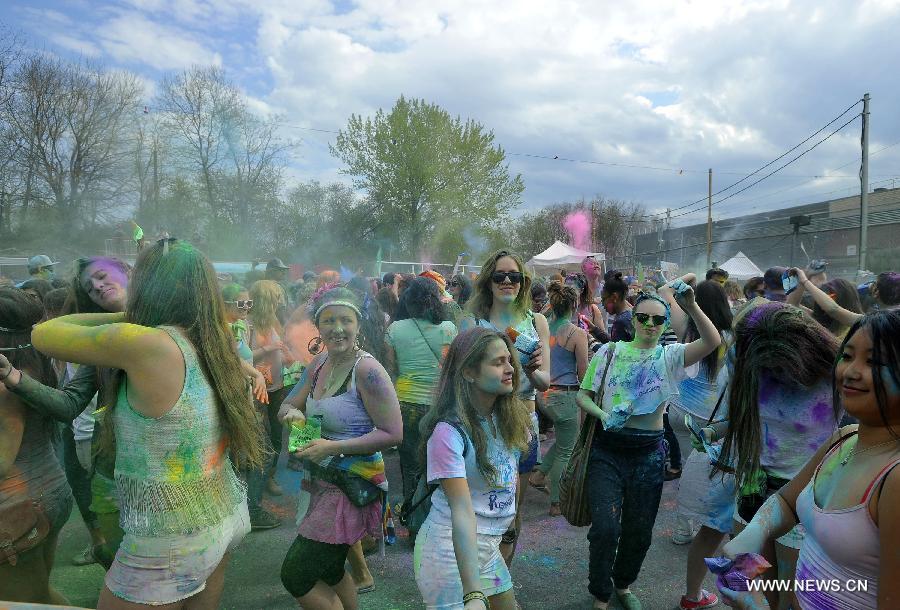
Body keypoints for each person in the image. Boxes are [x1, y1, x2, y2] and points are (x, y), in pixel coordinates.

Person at [29, 240, 265, 608]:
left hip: (168, 539)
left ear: (146, 287)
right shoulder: (211, 339)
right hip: (223, 517)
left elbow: (43, 333)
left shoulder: (146, 343)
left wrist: (133, 315)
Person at [719, 310, 900, 610]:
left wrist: (756, 608)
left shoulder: (894, 478)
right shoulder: (844, 438)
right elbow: (789, 502)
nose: (851, 371)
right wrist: (754, 533)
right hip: (756, 489)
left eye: (874, 362)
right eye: (848, 355)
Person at [575, 284, 721, 610]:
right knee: (605, 528)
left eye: (658, 320)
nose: (650, 325)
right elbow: (583, 395)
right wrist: (603, 414)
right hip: (608, 450)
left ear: (667, 323)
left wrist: (692, 306)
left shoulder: (669, 357)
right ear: (634, 320)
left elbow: (713, 342)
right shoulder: (609, 352)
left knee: (638, 532)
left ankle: (623, 584)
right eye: (643, 318)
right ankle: (600, 592)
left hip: (648, 454)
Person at [1, 256, 132, 569]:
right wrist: (15, 377)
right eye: (89, 286)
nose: (97, 286)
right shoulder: (100, 343)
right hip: (116, 469)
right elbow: (69, 405)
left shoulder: (171, 326)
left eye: (102, 276)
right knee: (123, 564)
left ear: (128, 273)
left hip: (173, 472)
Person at [278, 286, 402, 610]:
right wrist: (291, 414)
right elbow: (289, 403)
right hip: (320, 482)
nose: (338, 328)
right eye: (329, 320)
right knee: (332, 570)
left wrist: (332, 447)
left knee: (296, 575)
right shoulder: (319, 363)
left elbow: (393, 433)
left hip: (350, 489)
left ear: (358, 324)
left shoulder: (368, 370)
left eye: (346, 320)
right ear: (318, 327)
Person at [715, 300, 840, 610]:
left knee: (792, 600)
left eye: (783, 369)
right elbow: (741, 416)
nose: (776, 374)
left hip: (805, 498)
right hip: (752, 489)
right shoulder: (742, 357)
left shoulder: (838, 372)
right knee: (743, 592)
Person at [414, 327, 531, 610]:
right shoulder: (448, 432)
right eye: (497, 362)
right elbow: (462, 511)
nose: (510, 369)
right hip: (449, 552)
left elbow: (510, 475)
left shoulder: (508, 416)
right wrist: (473, 593)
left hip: (488, 547)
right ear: (468, 372)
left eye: (509, 360)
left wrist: (510, 531)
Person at [461, 249, 550, 564]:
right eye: (500, 276)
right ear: (488, 282)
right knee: (479, 509)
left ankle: (501, 586)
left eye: (515, 276)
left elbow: (544, 382)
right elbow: (461, 377)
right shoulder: (472, 322)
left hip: (522, 425)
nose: (507, 281)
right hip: (482, 424)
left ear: (524, 282)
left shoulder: (536, 321)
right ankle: (478, 582)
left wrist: (530, 370)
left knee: (511, 513)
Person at [663, 280, 735, 609]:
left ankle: (682, 527)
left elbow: (666, 290)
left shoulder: (686, 330)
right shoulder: (731, 341)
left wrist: (685, 286)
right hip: (712, 423)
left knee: (690, 470)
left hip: (679, 414)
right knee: (710, 482)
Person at [0, 288, 73, 604]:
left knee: (24, 603)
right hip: (47, 494)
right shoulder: (31, 362)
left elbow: (2, 461)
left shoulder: (6, 382)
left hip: (19, 510)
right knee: (39, 596)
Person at [384, 277, 458, 510]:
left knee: (409, 464)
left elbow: (389, 370)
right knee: (440, 462)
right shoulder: (449, 329)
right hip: (440, 406)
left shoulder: (395, 329)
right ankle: (435, 512)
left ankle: (412, 512)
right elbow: (453, 368)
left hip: (405, 404)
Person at [527, 282, 589, 515]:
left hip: (544, 394)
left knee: (563, 441)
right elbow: (584, 373)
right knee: (567, 449)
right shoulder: (576, 333)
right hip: (565, 396)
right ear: (574, 305)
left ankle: (539, 474)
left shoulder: (542, 329)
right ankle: (556, 502)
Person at [222, 283, 279, 531]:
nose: (246, 308)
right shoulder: (223, 329)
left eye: (249, 304)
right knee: (263, 452)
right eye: (241, 304)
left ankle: (240, 507)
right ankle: (249, 509)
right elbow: (231, 360)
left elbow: (242, 358)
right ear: (225, 304)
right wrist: (256, 373)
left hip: (252, 397)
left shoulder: (242, 326)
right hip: (236, 400)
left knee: (250, 453)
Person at [249, 279, 296, 497]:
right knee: (260, 434)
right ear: (266, 300)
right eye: (276, 297)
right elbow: (241, 356)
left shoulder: (274, 321)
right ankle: (258, 477)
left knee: (277, 433)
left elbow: (281, 349)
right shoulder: (248, 323)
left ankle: (270, 475)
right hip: (256, 387)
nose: (280, 301)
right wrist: (268, 348)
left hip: (276, 385)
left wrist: (286, 355)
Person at [789, 268, 900, 330]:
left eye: (874, 283)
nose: (869, 285)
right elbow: (793, 306)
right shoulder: (886, 319)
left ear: (876, 292)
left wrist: (802, 281)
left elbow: (833, 309)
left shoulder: (872, 322)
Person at [788, 277, 863, 339]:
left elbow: (833, 309)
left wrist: (805, 281)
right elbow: (792, 305)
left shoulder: (860, 325)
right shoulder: (818, 320)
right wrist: (796, 278)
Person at [600, 271, 634, 342]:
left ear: (614, 297)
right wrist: (594, 329)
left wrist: (591, 341)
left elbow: (615, 351)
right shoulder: (630, 315)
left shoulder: (621, 322)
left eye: (604, 299)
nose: (602, 304)